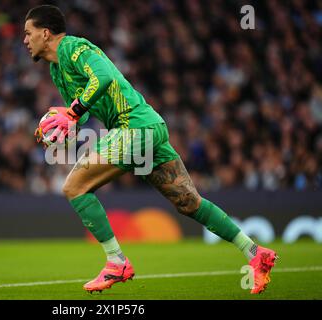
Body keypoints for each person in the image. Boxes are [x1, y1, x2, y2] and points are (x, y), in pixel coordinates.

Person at [24, 5, 277, 294]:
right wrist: (64, 125)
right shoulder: (57, 70)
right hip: (148, 127)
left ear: (46, 34)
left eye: (28, 33)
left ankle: (116, 261)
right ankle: (255, 252)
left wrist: (72, 112)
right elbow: (82, 111)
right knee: (189, 202)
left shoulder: (73, 47)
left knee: (75, 188)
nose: (25, 39)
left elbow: (103, 77)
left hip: (133, 126)